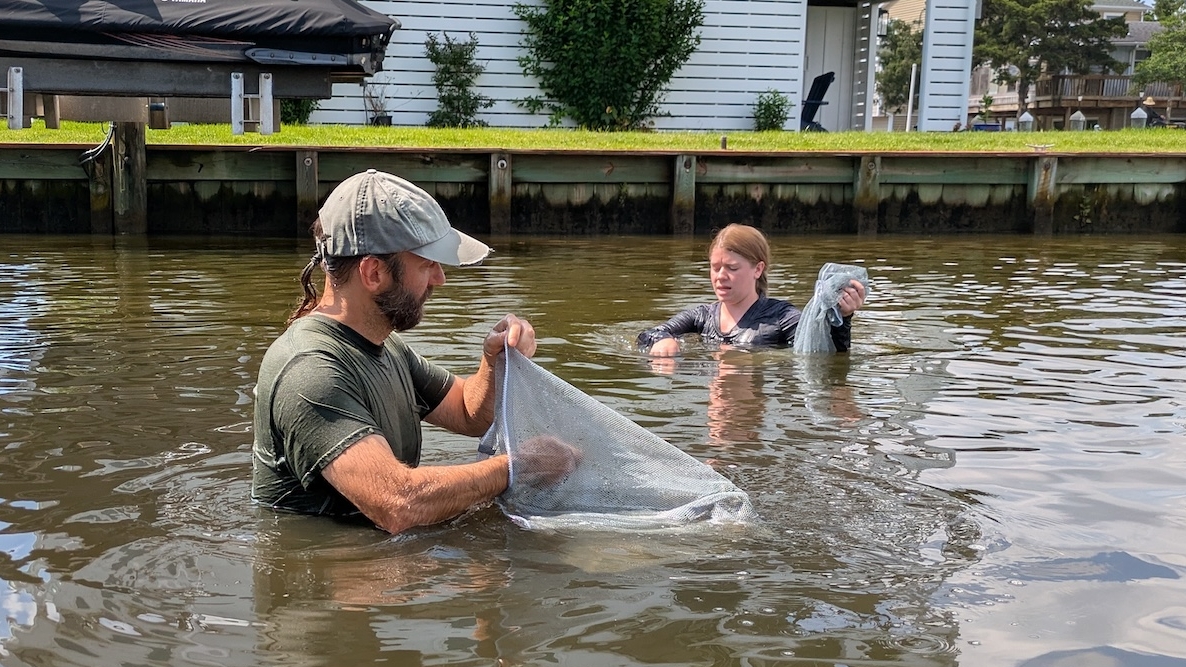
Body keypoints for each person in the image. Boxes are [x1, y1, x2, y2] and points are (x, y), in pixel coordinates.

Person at [252, 169, 576, 535]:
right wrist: (518, 468)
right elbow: (398, 503)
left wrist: (495, 360)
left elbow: (469, 413)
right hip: (336, 582)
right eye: (426, 264)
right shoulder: (309, 371)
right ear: (373, 272)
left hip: (385, 570)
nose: (439, 278)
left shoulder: (384, 344)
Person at [637, 223, 866, 356]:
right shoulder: (702, 316)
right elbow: (649, 334)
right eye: (715, 268)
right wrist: (664, 341)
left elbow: (824, 354)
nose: (720, 276)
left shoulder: (782, 318)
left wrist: (843, 319)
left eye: (732, 268)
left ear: (758, 269)